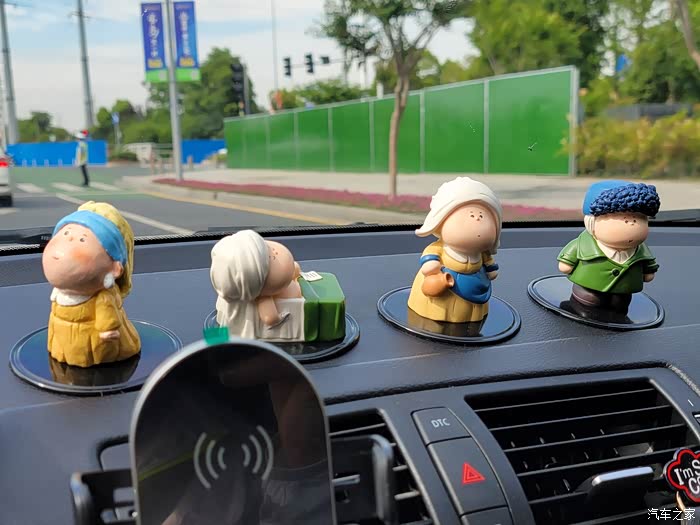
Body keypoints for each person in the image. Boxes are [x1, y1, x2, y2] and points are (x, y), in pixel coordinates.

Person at [42, 201, 141, 367]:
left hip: (94, 345)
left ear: (115, 268)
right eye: (66, 233)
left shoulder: (103, 297)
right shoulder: (60, 292)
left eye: (82, 239)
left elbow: (107, 315)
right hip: (62, 337)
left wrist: (108, 329)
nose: (69, 240)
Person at [407, 177, 503, 324]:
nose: (476, 218)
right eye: (470, 214)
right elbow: (430, 256)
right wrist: (431, 264)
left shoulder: (482, 254)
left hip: (477, 287)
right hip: (442, 293)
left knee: (473, 312)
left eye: (483, 215)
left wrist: (491, 270)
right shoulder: (440, 248)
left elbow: (489, 262)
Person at [557, 180, 660, 313]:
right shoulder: (583, 245)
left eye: (638, 219)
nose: (632, 224)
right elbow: (567, 262)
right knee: (589, 298)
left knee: (620, 303)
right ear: (592, 222)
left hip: (624, 292)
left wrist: (648, 272)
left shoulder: (641, 251)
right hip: (588, 289)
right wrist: (567, 262)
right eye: (625, 219)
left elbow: (648, 264)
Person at [210, 230, 304, 341]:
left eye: (266, 245)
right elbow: (270, 318)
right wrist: (280, 318)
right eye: (271, 258)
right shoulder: (264, 299)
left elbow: (295, 269)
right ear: (256, 289)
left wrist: (294, 270)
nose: (275, 251)